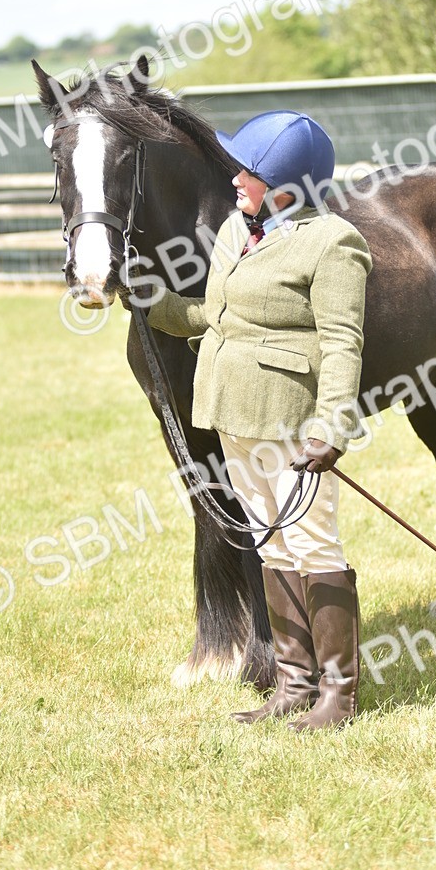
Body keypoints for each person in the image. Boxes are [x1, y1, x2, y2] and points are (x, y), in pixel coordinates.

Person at [146, 110, 372, 730]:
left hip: (293, 424)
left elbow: (343, 342)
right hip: (233, 413)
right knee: (270, 544)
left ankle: (338, 695)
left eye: (248, 171)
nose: (235, 180)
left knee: (312, 544)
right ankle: (294, 684)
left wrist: (331, 427)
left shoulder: (332, 243)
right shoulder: (233, 230)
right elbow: (215, 316)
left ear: (286, 186)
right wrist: (153, 301)